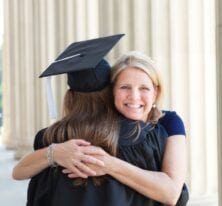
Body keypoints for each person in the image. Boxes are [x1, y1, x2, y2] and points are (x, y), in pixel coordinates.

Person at [12, 36, 188, 206]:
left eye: (144, 88)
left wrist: (109, 164)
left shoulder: (50, 137)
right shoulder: (149, 138)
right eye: (125, 87)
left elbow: (171, 193)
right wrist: (55, 153)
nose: (134, 96)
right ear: (111, 92)